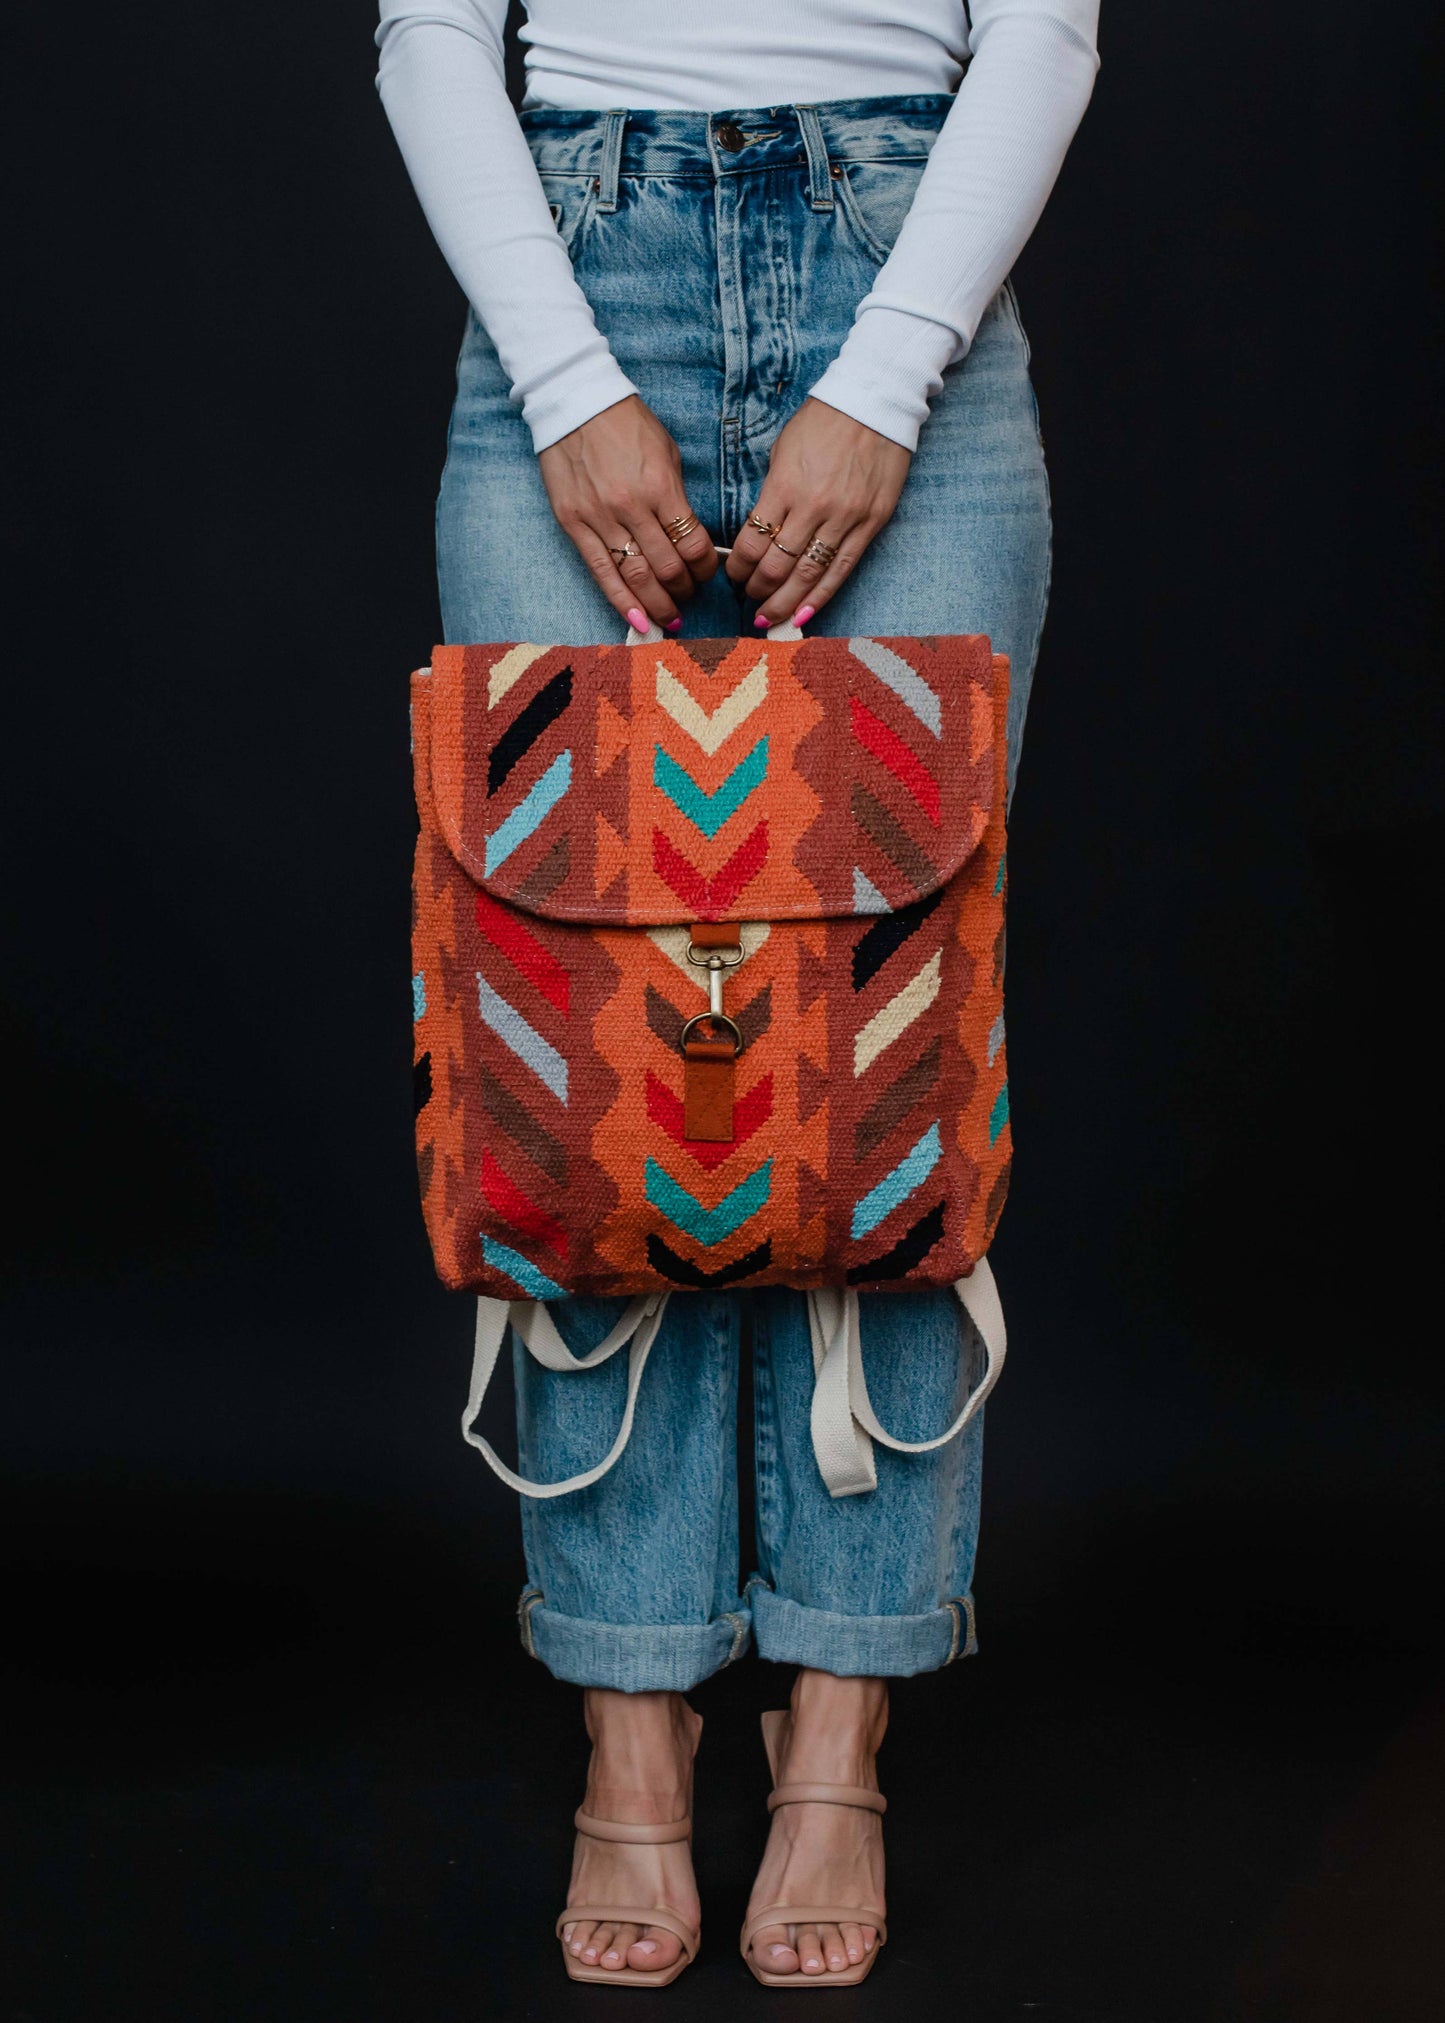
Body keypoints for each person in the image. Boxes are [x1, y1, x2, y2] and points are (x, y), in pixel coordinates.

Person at [376, 0, 1099, 1987]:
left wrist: (883, 384)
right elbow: (430, 30)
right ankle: (631, 1721)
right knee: (592, 1066)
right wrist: (562, 373)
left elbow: (1043, 29)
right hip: (577, 258)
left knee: (890, 1055)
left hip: (910, 274)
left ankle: (841, 1725)